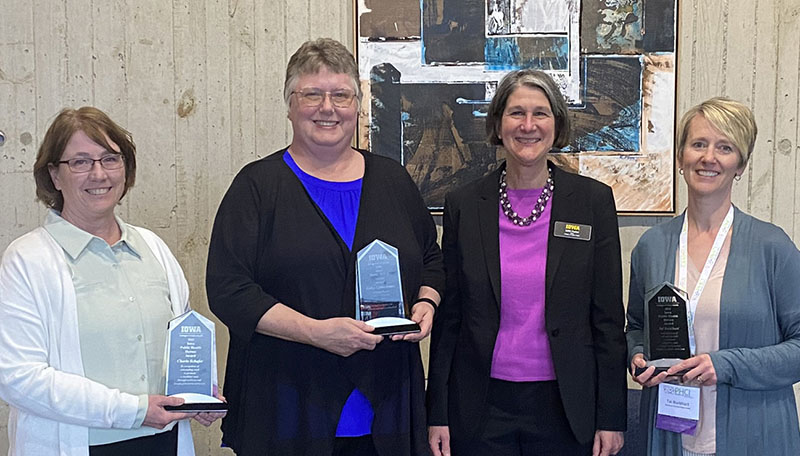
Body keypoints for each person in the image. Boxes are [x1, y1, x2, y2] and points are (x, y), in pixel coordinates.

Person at [206, 38, 444, 456]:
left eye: (341, 95)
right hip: (288, 408)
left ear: (357, 104)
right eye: (312, 94)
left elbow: (431, 259)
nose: (327, 108)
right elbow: (229, 290)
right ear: (290, 105)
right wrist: (315, 333)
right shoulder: (257, 187)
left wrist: (427, 304)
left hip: (388, 410)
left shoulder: (393, 181)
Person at [426, 69, 627, 456]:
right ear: (498, 125)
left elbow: (607, 320)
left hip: (566, 405)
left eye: (541, 113)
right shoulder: (464, 205)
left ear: (557, 125)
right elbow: (450, 320)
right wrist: (438, 412)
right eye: (517, 113)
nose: (528, 125)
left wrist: (611, 417)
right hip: (480, 405)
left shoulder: (591, 203)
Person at [0, 107, 223, 456]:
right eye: (80, 162)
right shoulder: (27, 259)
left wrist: (197, 391)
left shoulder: (154, 248)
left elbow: (181, 344)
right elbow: (18, 378)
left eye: (110, 158)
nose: (99, 173)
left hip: (162, 442)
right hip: (78, 446)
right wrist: (132, 410)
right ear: (54, 176)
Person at [627, 97, 800, 455]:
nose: (709, 158)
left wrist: (725, 365)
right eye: (698, 144)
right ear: (680, 157)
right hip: (668, 434)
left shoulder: (772, 247)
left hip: (753, 435)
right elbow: (635, 327)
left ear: (740, 165)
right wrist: (639, 357)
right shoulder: (652, 246)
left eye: (725, 147)